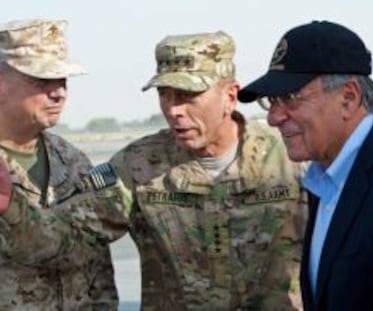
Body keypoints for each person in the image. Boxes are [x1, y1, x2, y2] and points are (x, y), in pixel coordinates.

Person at [109, 30, 307, 310]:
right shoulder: (138, 165)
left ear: (230, 96)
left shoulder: (291, 159)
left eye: (188, 95)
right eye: (165, 95)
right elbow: (69, 235)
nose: (174, 110)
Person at [238, 20, 373, 311]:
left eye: (290, 98)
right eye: (272, 101)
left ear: (348, 97)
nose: (273, 117)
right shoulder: (326, 177)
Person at [0, 19, 121, 310]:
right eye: (42, 81)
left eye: (63, 80)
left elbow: (97, 264)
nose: (59, 93)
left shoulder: (72, 159)